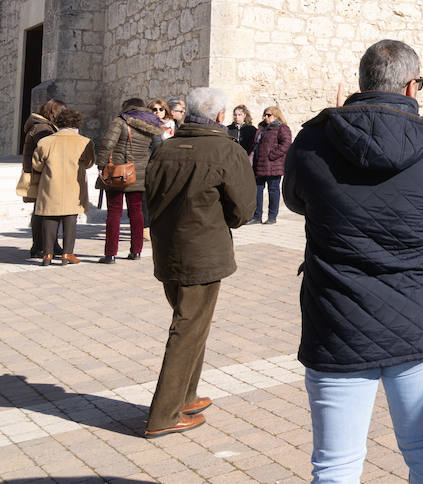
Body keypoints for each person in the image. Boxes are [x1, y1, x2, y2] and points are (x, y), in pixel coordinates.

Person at [284, 40, 423, 483]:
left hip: (337, 318)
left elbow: (297, 200)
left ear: (362, 82)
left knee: (335, 462)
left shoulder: (314, 138)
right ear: (411, 86)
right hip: (412, 314)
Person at [143, 86, 256, 438]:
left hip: (169, 249)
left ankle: (185, 396)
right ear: (220, 116)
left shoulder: (165, 149)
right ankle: (163, 414)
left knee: (192, 324)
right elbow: (242, 212)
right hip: (203, 252)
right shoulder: (226, 151)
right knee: (187, 328)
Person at [94, 97, 164, 263]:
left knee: (114, 211)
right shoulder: (152, 124)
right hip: (139, 173)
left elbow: (107, 144)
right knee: (136, 211)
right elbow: (157, 147)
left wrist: (101, 164)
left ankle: (110, 254)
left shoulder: (120, 121)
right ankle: (136, 251)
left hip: (118, 172)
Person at [29, 107, 93, 266]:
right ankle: (67, 254)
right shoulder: (85, 142)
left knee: (49, 218)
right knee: (70, 219)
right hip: (73, 186)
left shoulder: (45, 141)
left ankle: (48, 254)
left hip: (50, 185)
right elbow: (89, 163)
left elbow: (36, 165)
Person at [20, 97, 66, 258]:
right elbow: (48, 152)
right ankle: (40, 246)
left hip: (41, 174)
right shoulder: (42, 128)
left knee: (45, 211)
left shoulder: (42, 126)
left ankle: (48, 244)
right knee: (43, 212)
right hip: (41, 175)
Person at [251, 106, 291, 224]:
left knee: (273, 190)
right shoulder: (262, 128)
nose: (266, 117)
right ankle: (257, 216)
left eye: (268, 115)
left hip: (273, 165)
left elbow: (286, 144)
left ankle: (272, 217)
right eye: (265, 115)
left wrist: (272, 155)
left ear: (276, 116)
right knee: (257, 190)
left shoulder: (282, 128)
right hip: (259, 164)